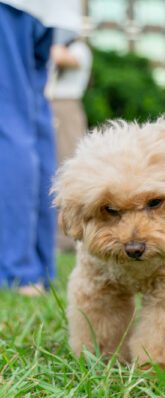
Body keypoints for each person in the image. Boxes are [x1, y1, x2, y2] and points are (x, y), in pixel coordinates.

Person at [0, 0, 80, 295]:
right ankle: (40, 269)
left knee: (8, 125)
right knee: (32, 125)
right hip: (49, 12)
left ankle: (16, 272)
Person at [47, 29, 92, 251]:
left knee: (67, 167)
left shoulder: (79, 48)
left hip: (66, 106)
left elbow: (61, 58)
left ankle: (66, 237)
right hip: (50, 105)